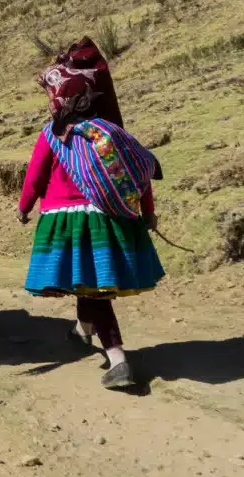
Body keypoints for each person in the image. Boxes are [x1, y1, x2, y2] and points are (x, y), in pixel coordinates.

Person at [17, 37, 164, 389]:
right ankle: (82, 331)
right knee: (89, 283)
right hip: (111, 219)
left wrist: (23, 208)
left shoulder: (52, 136)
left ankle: (117, 359)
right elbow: (138, 175)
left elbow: (35, 177)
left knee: (94, 289)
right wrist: (148, 213)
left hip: (68, 222)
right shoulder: (111, 133)